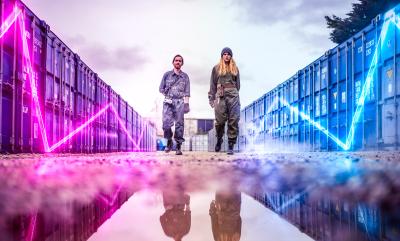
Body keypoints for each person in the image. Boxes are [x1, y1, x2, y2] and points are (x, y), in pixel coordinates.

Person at [208, 47, 240, 155]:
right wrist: (211, 98)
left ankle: (231, 145)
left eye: (228, 54)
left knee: (233, 119)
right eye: (224, 54)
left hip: (233, 95)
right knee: (220, 121)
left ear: (231, 56)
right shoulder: (216, 68)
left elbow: (238, 85)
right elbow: (212, 84)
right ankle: (219, 139)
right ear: (222, 56)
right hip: (220, 96)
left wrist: (233, 93)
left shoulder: (235, 69)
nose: (227, 56)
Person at [159, 54, 190, 155]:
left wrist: (186, 104)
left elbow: (187, 92)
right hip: (168, 102)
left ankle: (178, 146)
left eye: (180, 61)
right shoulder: (167, 75)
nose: (178, 62)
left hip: (180, 102)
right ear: (173, 62)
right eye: (176, 60)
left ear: (182, 63)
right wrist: (168, 94)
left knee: (179, 125)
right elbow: (161, 88)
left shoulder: (185, 76)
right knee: (166, 124)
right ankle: (169, 141)